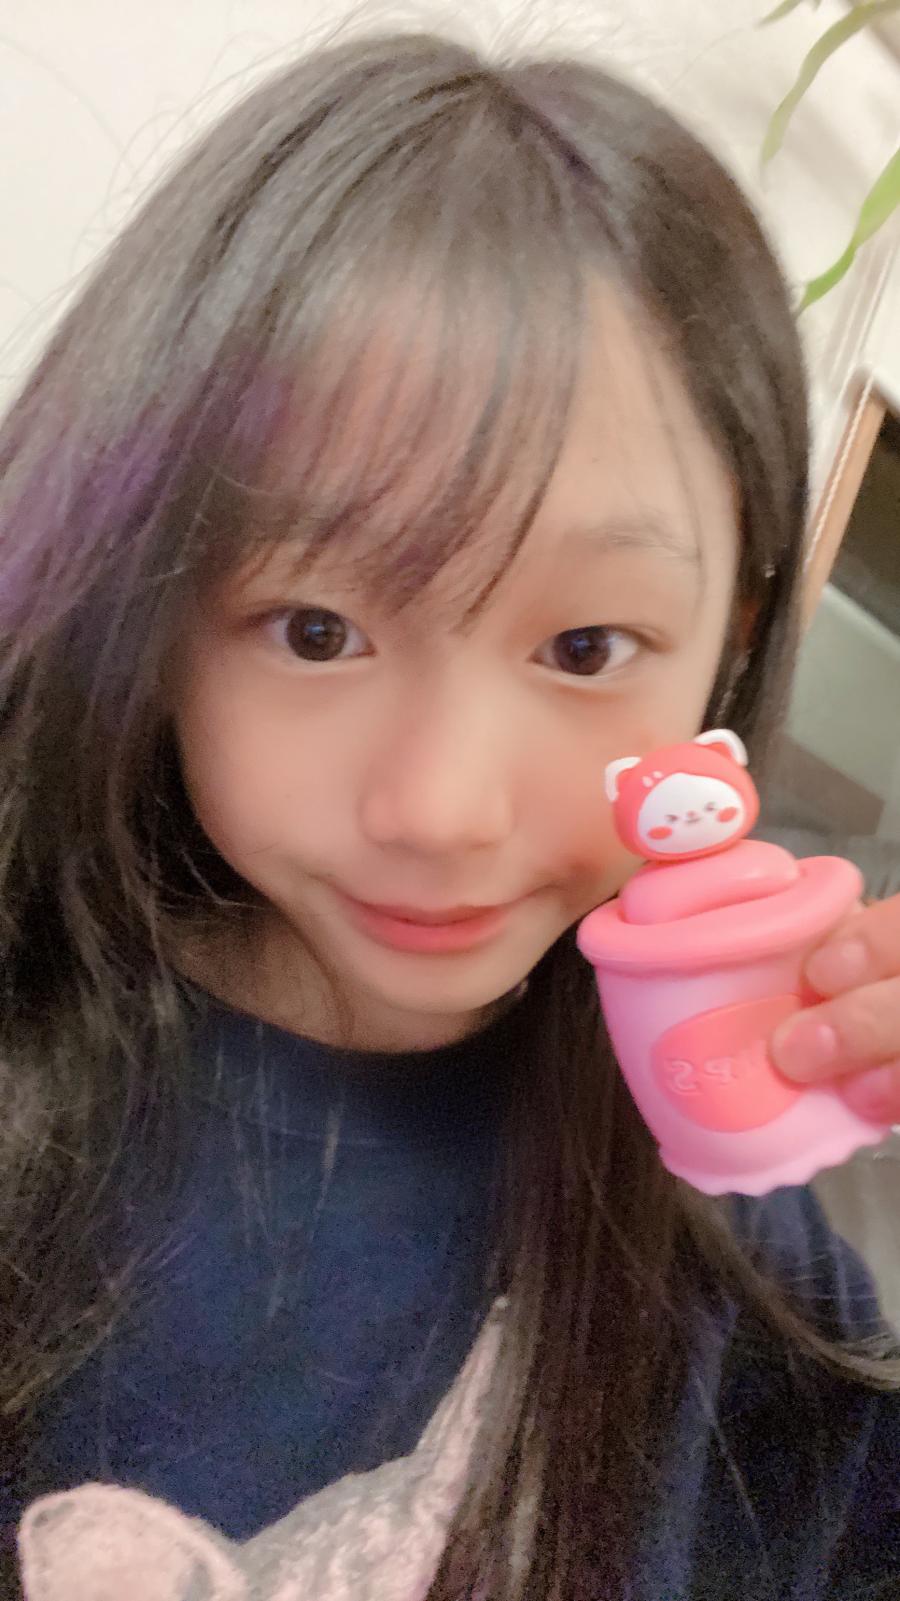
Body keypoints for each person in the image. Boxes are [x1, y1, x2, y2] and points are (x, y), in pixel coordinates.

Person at [1, 30, 899, 1601]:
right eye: (316, 629)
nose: (439, 808)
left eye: (585, 647)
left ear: (728, 642)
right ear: (148, 599)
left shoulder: (743, 1258)